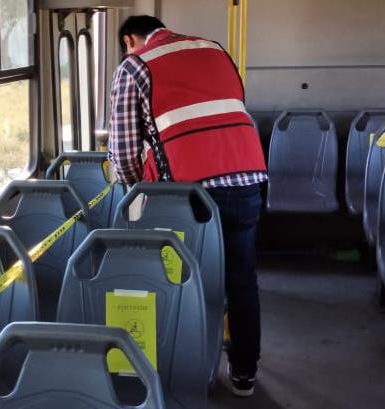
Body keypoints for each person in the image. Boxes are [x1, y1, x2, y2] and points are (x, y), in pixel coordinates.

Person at [107, 15, 268, 397]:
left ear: (130, 39)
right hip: (249, 178)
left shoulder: (135, 65)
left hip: (189, 194)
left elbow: (125, 154)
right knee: (241, 278)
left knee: (178, 281)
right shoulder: (214, 50)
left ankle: (183, 369)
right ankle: (244, 374)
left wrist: (138, 194)